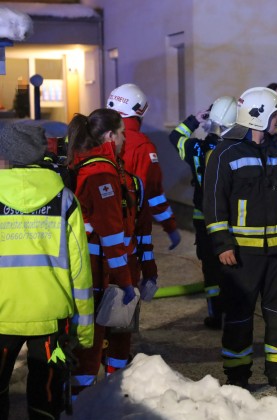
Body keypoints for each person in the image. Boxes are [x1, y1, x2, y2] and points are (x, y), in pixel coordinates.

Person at [203, 87, 277, 392]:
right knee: (239, 316)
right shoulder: (225, 152)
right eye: (275, 114)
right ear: (258, 117)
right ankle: (237, 375)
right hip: (241, 254)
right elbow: (214, 201)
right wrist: (222, 244)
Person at [0, 123, 94, 420]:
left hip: (1, 315)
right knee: (46, 398)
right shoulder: (65, 200)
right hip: (53, 318)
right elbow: (80, 272)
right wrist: (84, 332)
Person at [66, 108, 140, 395]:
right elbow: (111, 234)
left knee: (88, 336)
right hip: (95, 270)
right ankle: (84, 403)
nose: (124, 139)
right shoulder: (101, 173)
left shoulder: (89, 166)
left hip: (87, 266)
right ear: (110, 136)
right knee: (93, 339)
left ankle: (82, 396)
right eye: (121, 133)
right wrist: (125, 281)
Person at [169, 96, 237, 330]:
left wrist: (194, 120)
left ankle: (215, 314)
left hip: (203, 217)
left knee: (210, 267)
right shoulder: (236, 149)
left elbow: (175, 136)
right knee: (232, 265)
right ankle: (235, 311)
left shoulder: (196, 148)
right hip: (231, 219)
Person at [106, 84, 180, 285]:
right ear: (139, 112)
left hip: (97, 231)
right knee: (126, 295)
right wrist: (170, 227)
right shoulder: (142, 145)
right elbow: (153, 192)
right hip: (132, 229)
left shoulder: (92, 137)